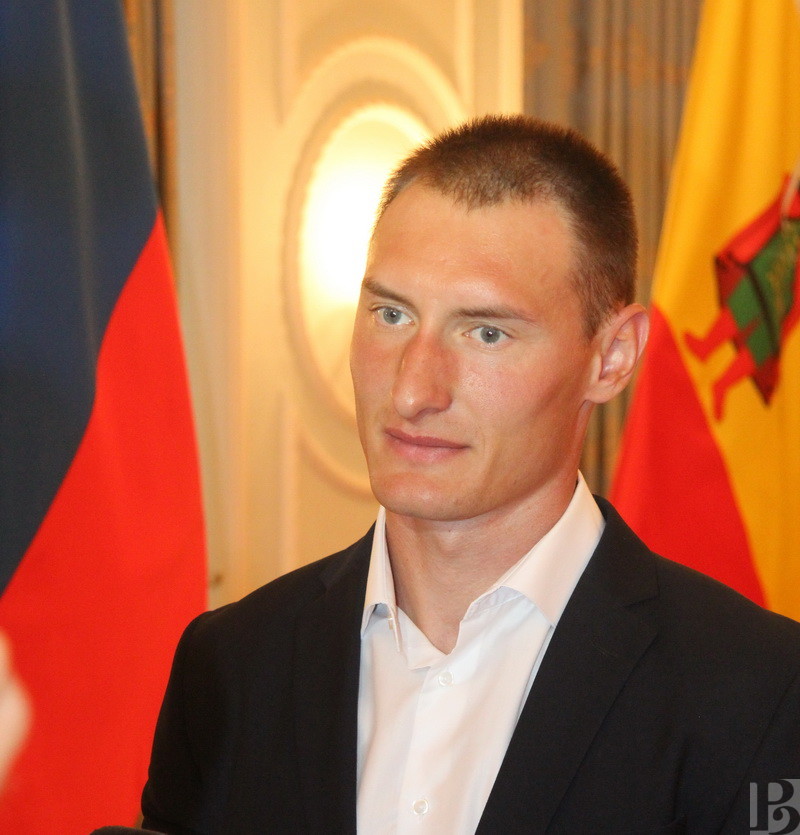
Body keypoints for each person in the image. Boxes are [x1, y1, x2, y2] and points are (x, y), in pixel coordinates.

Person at [141, 115, 800, 834]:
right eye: (391, 314)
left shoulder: (762, 692)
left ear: (611, 358)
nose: (412, 391)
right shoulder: (230, 667)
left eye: (486, 332)